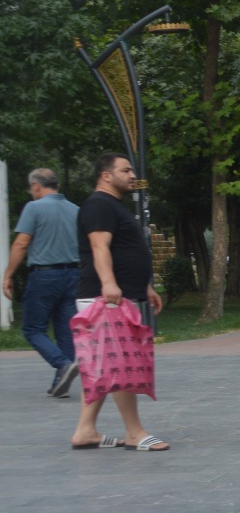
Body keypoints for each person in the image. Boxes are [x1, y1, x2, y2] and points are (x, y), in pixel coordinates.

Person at [70, 152, 167, 450]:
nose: (132, 175)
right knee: (120, 363)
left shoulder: (112, 206)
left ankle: (85, 431)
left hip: (119, 295)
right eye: (125, 170)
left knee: (105, 364)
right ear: (106, 175)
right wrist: (109, 284)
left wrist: (145, 286)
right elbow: (100, 247)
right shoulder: (99, 205)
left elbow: (126, 250)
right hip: (106, 297)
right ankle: (134, 432)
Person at [4, 168, 81, 397]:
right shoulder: (76, 210)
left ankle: (62, 365)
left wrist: (8, 275)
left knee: (32, 329)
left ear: (37, 185)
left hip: (45, 276)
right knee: (65, 331)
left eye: (31, 188)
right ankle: (61, 382)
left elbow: (21, 243)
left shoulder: (34, 208)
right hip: (74, 276)